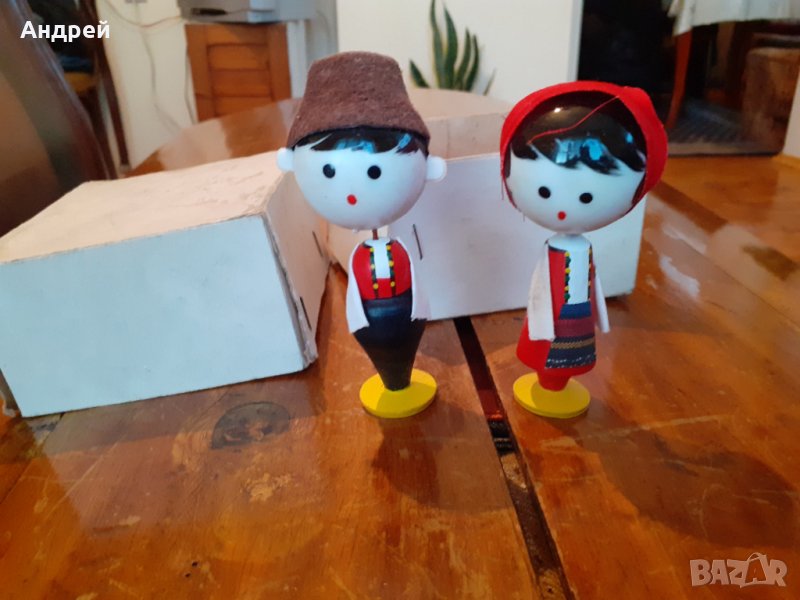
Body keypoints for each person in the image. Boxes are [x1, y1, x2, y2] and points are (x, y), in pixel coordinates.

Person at [278, 52, 446, 418]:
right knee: (385, 352)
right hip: (373, 323)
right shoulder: (360, 257)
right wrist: (358, 321)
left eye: (375, 171)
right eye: (329, 171)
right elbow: (355, 292)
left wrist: (421, 309)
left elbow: (415, 282)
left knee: (403, 349)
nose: (353, 194)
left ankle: (400, 378)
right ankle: (392, 379)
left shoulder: (398, 250)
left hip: (405, 316)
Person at [500, 81, 667, 417]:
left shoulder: (581, 248)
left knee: (570, 352)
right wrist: (540, 316)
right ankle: (548, 380)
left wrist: (599, 312)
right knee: (546, 349)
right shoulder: (555, 249)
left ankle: (558, 383)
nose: (563, 211)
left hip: (577, 314)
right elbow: (541, 286)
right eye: (544, 192)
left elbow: (594, 281)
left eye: (587, 197)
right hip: (552, 314)